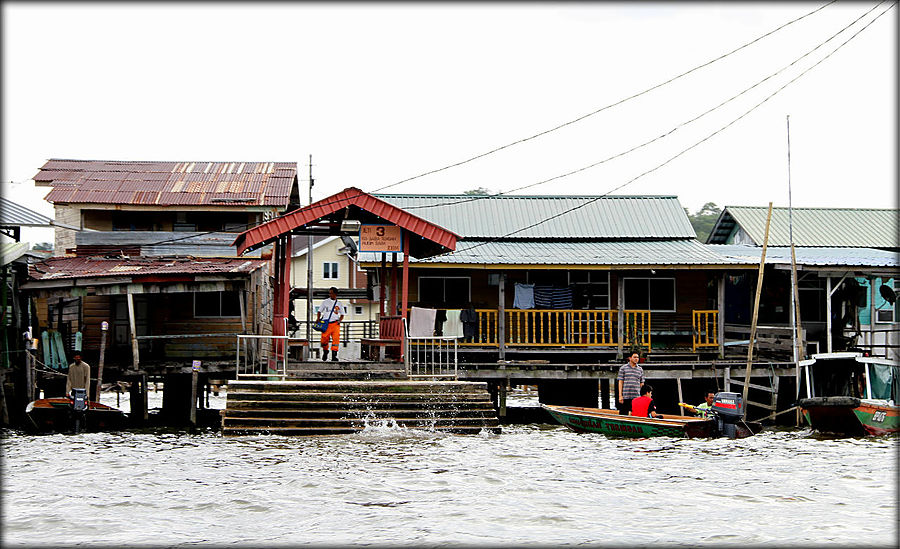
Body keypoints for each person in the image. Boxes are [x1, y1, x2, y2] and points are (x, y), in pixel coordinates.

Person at [316, 287, 345, 362]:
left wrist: (340, 320)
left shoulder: (339, 303)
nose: (330, 294)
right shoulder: (325, 302)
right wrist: (318, 319)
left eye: (331, 293)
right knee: (324, 339)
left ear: (335, 294)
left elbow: (342, 314)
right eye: (329, 293)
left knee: (336, 339)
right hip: (326, 323)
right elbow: (319, 311)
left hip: (335, 324)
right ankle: (325, 351)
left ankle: (334, 355)